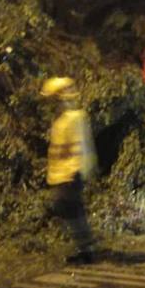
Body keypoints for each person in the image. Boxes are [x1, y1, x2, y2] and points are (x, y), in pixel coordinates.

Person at [41, 77, 99, 264]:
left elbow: (80, 146)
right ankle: (86, 246)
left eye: (53, 99)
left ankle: (86, 249)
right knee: (71, 209)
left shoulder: (74, 118)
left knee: (69, 208)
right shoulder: (62, 119)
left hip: (70, 174)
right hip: (62, 173)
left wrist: (74, 170)